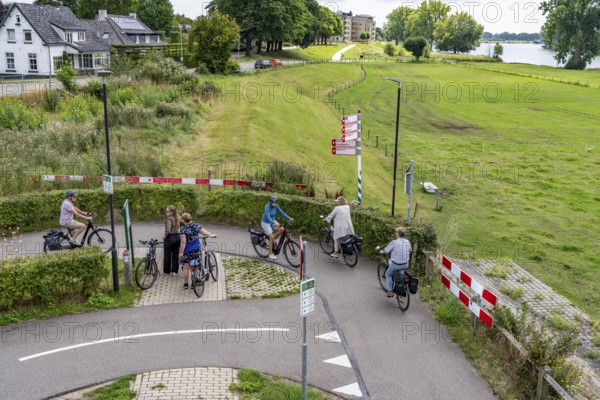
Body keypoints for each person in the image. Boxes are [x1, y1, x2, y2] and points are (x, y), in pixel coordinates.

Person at [178, 213, 216, 289]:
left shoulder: (183, 229)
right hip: (196, 248)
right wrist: (211, 235)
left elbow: (183, 242)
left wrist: (181, 252)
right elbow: (204, 233)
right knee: (196, 265)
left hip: (187, 250)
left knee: (186, 267)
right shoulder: (196, 225)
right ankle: (194, 282)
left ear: (183, 220)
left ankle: (186, 284)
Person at [380, 227, 412, 298]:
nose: (395, 233)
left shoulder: (394, 242)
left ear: (398, 234)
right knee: (401, 271)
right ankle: (400, 282)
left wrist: (381, 251)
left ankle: (390, 291)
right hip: (406, 264)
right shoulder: (407, 241)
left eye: (396, 232)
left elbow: (386, 251)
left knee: (388, 274)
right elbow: (409, 250)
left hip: (395, 265)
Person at [261, 195, 293, 260]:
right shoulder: (267, 207)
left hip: (272, 221)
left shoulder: (276, 206)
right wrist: (274, 222)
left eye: (275, 202)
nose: (274, 203)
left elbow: (281, 212)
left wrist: (289, 218)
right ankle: (270, 254)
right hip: (266, 223)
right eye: (273, 202)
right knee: (271, 237)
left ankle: (275, 239)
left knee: (282, 229)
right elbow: (268, 217)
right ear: (270, 202)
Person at [163, 205, 181, 275]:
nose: (166, 212)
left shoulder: (169, 219)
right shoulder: (179, 218)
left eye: (167, 211)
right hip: (178, 237)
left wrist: (165, 236)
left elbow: (168, 230)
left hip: (170, 238)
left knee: (167, 255)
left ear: (172, 212)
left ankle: (166, 271)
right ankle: (174, 271)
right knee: (175, 255)